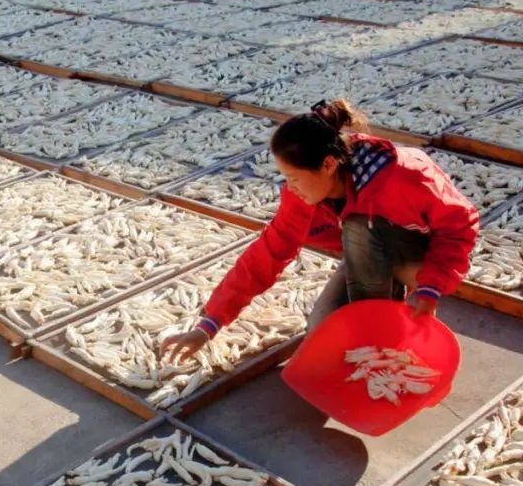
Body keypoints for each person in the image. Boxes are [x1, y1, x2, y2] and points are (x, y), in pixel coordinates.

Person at [162, 98, 479, 364]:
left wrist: (429, 288)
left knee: (359, 228)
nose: (290, 187)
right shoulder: (304, 195)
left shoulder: (405, 176)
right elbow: (269, 252)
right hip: (370, 255)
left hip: (422, 257)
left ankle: (381, 327)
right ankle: (379, 314)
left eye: (294, 177)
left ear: (328, 165)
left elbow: (459, 228)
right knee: (322, 332)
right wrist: (209, 324)